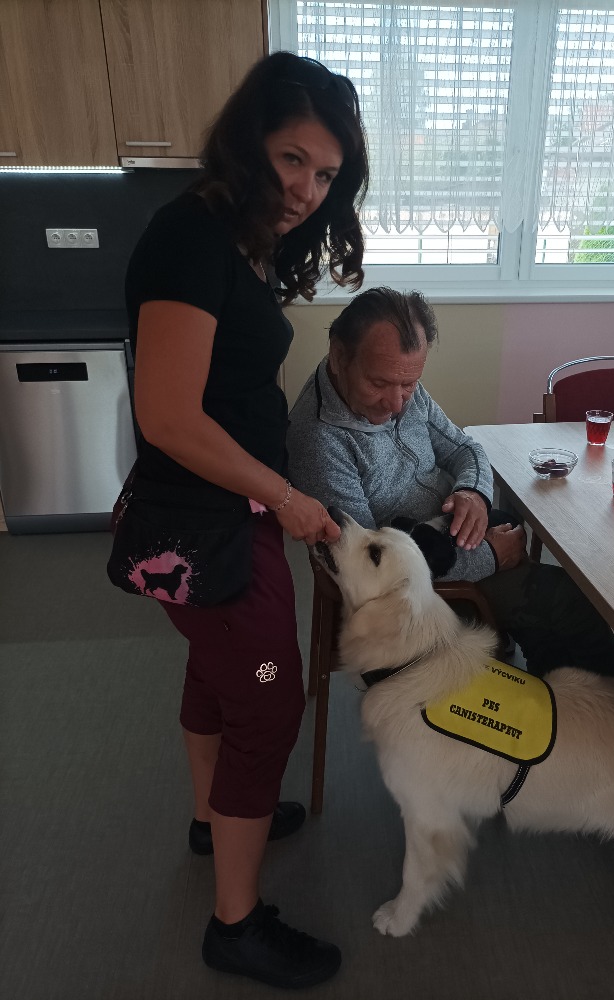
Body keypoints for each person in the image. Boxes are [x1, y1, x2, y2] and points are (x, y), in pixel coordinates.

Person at [124, 52, 368, 989]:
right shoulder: (189, 238)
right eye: (292, 158)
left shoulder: (240, 238)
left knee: (219, 667)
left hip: (222, 518)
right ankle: (236, 924)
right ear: (246, 141)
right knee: (268, 696)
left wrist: (275, 493)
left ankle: (209, 819)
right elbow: (168, 416)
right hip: (206, 524)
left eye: (327, 174)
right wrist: (290, 497)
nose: (307, 189)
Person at [287, 287, 614, 680]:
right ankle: (604, 711)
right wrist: (490, 557)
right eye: (379, 384)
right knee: (570, 604)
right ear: (338, 355)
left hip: (449, 542)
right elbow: (368, 574)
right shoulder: (319, 441)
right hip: (426, 592)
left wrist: (473, 493)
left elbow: (465, 448)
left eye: (409, 385)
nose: (397, 404)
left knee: (550, 596)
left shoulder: (398, 382)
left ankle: (549, 692)